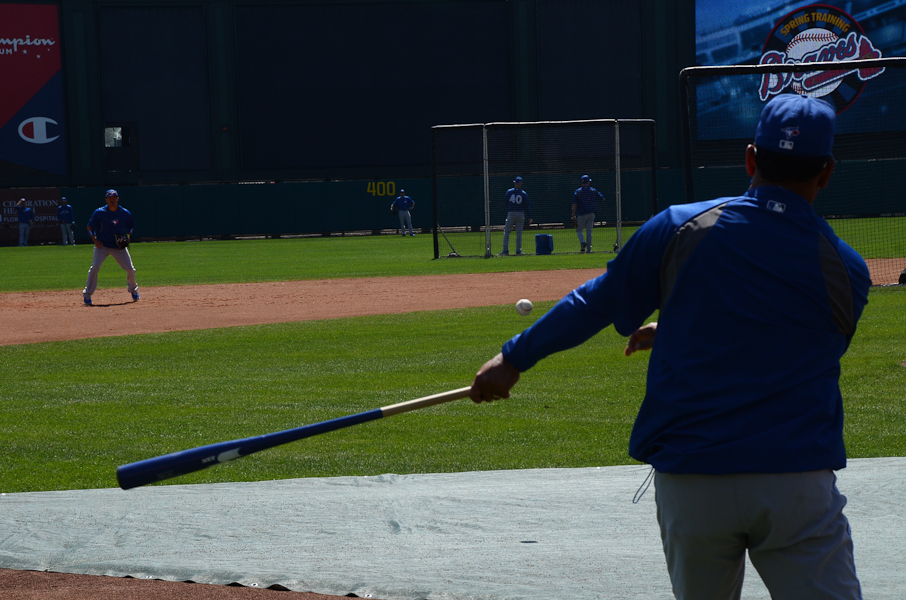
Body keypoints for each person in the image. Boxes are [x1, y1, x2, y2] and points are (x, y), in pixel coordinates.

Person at [469, 94, 870, 600]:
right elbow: (794, 342)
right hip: (795, 480)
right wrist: (685, 326)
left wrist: (514, 357)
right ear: (828, 172)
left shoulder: (681, 226)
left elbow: (596, 302)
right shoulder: (848, 268)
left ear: (749, 158)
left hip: (693, 477)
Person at [82, 189, 139, 305]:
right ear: (106, 200)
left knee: (130, 269)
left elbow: (131, 226)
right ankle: (87, 295)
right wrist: (95, 239)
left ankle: (133, 290)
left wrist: (128, 235)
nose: (112, 200)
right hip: (102, 246)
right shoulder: (99, 212)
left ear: (118, 199)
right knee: (95, 267)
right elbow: (89, 227)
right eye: (110, 198)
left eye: (114, 198)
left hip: (119, 247)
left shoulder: (124, 213)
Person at [571, 175, 604, 253]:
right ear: (588, 182)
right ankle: (589, 249)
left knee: (579, 230)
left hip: (581, 214)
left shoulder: (578, 191)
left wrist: (573, 214)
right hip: (591, 214)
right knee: (589, 231)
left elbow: (575, 204)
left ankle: (582, 242)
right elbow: (602, 198)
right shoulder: (593, 190)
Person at [499, 176, 532, 256]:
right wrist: (530, 217)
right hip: (520, 213)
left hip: (511, 212)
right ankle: (518, 251)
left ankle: (505, 250)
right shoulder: (523, 193)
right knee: (519, 233)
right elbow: (527, 206)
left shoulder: (509, 192)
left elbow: (506, 201)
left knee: (507, 232)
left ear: (515, 183)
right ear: (521, 184)